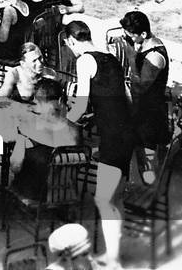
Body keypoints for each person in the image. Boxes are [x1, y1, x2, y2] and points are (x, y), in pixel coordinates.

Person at [66, 21, 133, 270]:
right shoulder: (111, 57)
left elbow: (81, 104)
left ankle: (113, 262)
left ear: (71, 41)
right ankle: (113, 255)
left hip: (113, 136)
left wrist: (62, 123)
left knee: (103, 200)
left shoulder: (84, 61)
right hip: (126, 131)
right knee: (115, 199)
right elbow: (124, 96)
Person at [9, 78, 80, 202]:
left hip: (32, 197)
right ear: (59, 100)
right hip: (63, 195)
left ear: (36, 101)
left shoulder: (27, 128)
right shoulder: (75, 130)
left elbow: (15, 166)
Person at [120, 11, 170, 184]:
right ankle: (138, 186)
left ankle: (147, 193)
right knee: (136, 152)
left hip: (150, 115)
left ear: (143, 34)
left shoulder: (155, 56)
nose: (130, 40)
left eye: (132, 37)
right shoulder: (145, 44)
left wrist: (132, 59)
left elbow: (140, 86)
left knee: (147, 162)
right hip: (141, 110)